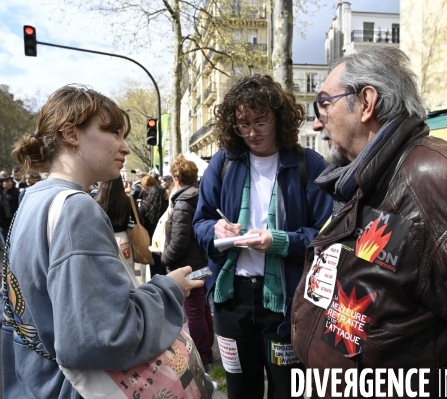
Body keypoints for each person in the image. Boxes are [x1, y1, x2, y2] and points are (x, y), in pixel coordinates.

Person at [290, 46, 447, 396]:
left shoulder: (442, 180)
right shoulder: (366, 178)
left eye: (324, 102)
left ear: (367, 103)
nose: (318, 120)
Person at [0, 84, 203, 398]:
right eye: (113, 133)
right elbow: (101, 337)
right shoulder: (76, 209)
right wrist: (169, 289)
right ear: (71, 133)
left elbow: (12, 308)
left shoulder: (33, 198)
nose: (125, 147)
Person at [192, 75, 332, 399]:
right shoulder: (223, 162)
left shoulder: (307, 163)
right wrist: (215, 230)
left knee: (288, 390)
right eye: (243, 124)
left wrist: (280, 242)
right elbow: (200, 222)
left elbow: (328, 235)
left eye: (260, 122)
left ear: (278, 118)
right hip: (231, 301)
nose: (251, 133)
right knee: (240, 390)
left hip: (286, 302)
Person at [162, 155, 214, 371]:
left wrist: (165, 258)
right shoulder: (195, 196)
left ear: (177, 178)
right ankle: (207, 349)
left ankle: (202, 355)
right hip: (199, 262)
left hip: (188, 265)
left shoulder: (183, 202)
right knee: (201, 308)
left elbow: (179, 240)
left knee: (194, 311)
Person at [96, 177, 137, 271]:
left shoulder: (97, 201)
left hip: (104, 239)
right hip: (124, 239)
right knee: (127, 271)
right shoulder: (128, 200)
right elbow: (138, 221)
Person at [139, 180, 168, 278]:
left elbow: (140, 224)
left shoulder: (144, 208)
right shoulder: (168, 207)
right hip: (166, 242)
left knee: (155, 271)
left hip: (152, 243)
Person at [0, 172, 20, 246]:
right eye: (7, 182)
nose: (9, 183)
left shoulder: (16, 193)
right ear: (1, 183)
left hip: (15, 222)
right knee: (7, 244)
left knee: (16, 244)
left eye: (10, 181)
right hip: (3, 223)